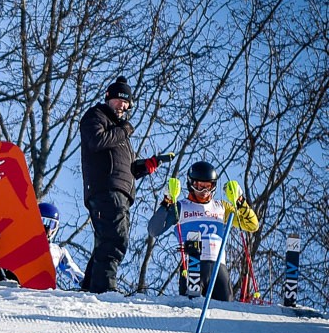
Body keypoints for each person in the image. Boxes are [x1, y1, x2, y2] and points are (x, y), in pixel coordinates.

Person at [79, 75, 172, 293]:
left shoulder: (118, 130)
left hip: (117, 191)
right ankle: (104, 290)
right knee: (115, 239)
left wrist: (146, 165)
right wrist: (124, 130)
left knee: (106, 241)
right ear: (108, 98)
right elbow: (96, 141)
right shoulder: (96, 116)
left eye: (126, 103)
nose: (123, 106)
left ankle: (90, 289)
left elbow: (121, 168)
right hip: (106, 190)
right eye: (119, 100)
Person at [147, 161, 259, 301]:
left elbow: (252, 225)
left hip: (218, 267)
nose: (205, 191)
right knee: (190, 307)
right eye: (200, 186)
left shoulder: (222, 207)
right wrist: (167, 202)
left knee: (226, 309)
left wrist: (240, 201)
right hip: (193, 264)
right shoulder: (181, 207)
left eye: (208, 186)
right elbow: (153, 230)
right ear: (191, 184)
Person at [39, 202, 84, 289]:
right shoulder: (22, 245)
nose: (46, 228)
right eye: (41, 222)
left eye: (51, 224)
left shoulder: (58, 251)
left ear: (55, 227)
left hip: (43, 291)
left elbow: (74, 272)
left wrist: (86, 284)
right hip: (19, 288)